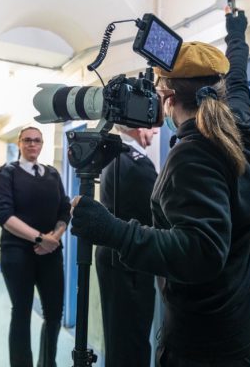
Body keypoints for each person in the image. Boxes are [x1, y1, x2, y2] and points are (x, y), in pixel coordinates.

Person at [70, 7, 250, 366]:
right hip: (244, 328)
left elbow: (201, 250)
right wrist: (236, 33)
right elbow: (237, 78)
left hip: (205, 344)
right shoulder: (242, 128)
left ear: (166, 97)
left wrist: (111, 230)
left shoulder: (193, 155)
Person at [0, 126, 71, 367]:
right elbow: (4, 214)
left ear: (42, 143)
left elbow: (64, 210)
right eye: (27, 140)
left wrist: (53, 238)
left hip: (51, 254)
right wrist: (39, 238)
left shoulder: (53, 174)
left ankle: (48, 363)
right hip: (17, 254)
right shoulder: (7, 173)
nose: (32, 144)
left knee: (54, 313)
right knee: (22, 312)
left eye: (36, 140)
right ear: (19, 143)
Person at [95, 125, 158, 367]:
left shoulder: (116, 156)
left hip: (117, 257)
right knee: (131, 342)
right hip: (128, 262)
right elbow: (156, 212)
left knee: (120, 337)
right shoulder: (133, 162)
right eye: (151, 126)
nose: (154, 133)